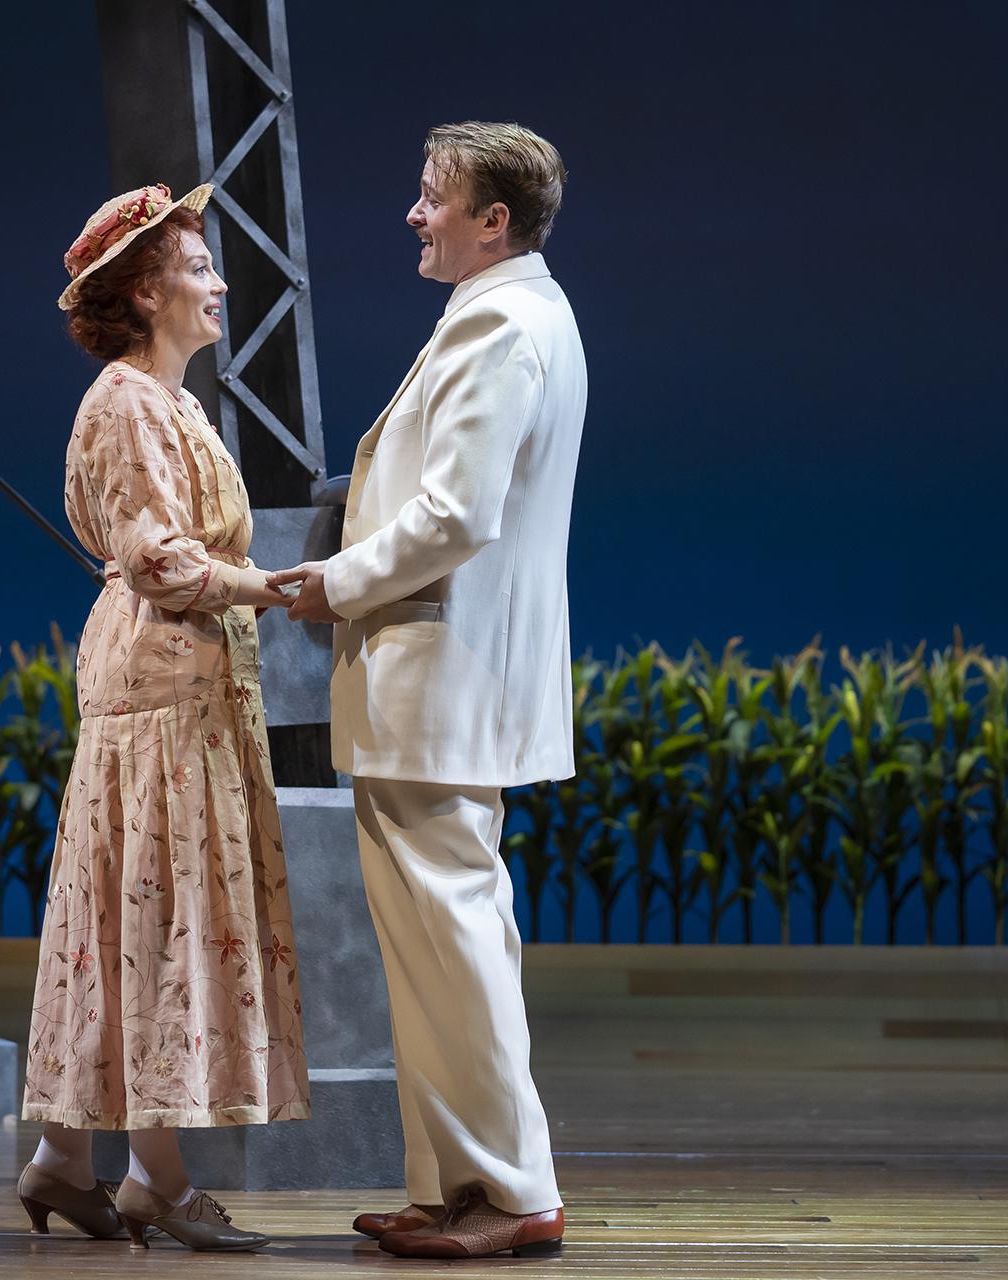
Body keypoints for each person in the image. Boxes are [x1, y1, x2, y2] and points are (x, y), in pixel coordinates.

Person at [269, 121, 584, 1260]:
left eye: (432, 197)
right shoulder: (509, 312)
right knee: (434, 946)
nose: (415, 213)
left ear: (491, 220)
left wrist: (336, 583)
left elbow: (458, 514)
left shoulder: (505, 322)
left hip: (441, 678)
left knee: (454, 938)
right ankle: (456, 1180)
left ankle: (511, 1187)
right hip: (432, 681)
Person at [16, 182, 308, 1252]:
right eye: (197, 266)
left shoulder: (173, 402)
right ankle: (158, 1178)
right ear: (144, 293)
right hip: (161, 693)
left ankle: (64, 1156)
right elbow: (159, 558)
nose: (218, 281)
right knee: (146, 914)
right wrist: (268, 587)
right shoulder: (128, 401)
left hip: (184, 688)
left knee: (123, 909)